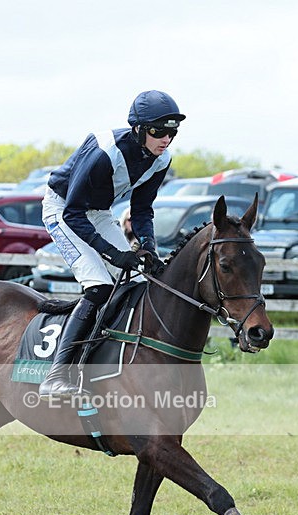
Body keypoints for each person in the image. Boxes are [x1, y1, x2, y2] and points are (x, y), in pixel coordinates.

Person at [39, 89, 185, 397]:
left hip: (100, 212)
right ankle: (57, 375)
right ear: (139, 129)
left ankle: (111, 358)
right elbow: (74, 213)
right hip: (63, 209)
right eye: (159, 131)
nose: (166, 139)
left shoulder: (161, 160)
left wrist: (147, 245)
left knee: (134, 283)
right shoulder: (104, 151)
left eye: (172, 131)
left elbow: (143, 209)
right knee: (100, 287)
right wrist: (115, 255)